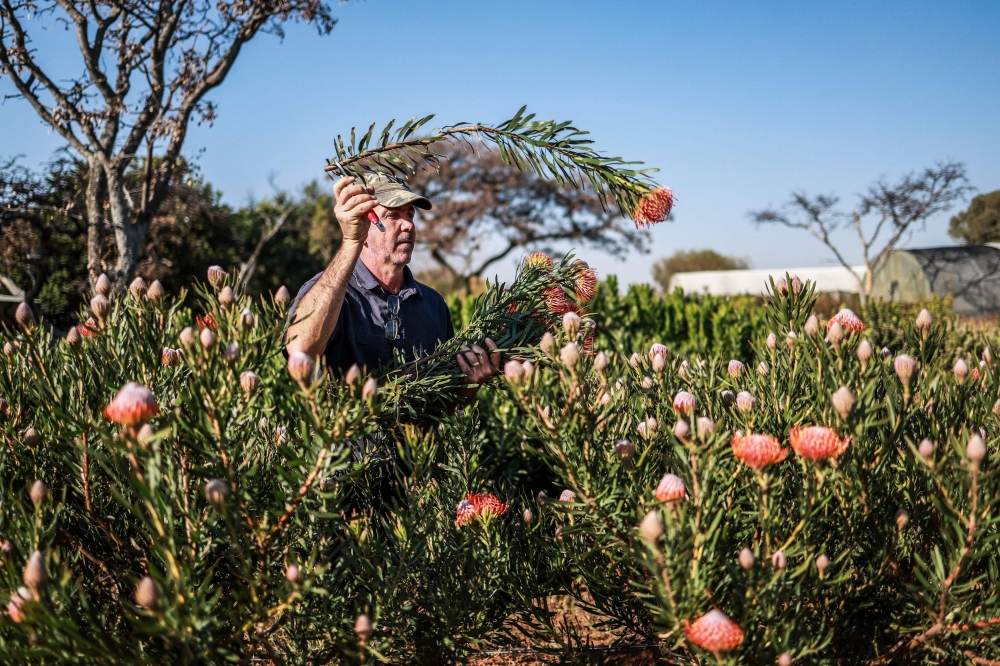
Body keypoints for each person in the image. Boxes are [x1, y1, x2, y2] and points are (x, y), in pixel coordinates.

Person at [286, 173, 499, 395]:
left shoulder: (434, 305)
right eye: (392, 215)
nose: (408, 225)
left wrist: (468, 387)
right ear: (363, 224)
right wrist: (351, 242)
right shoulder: (326, 293)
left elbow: (443, 404)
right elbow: (300, 350)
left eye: (410, 214)